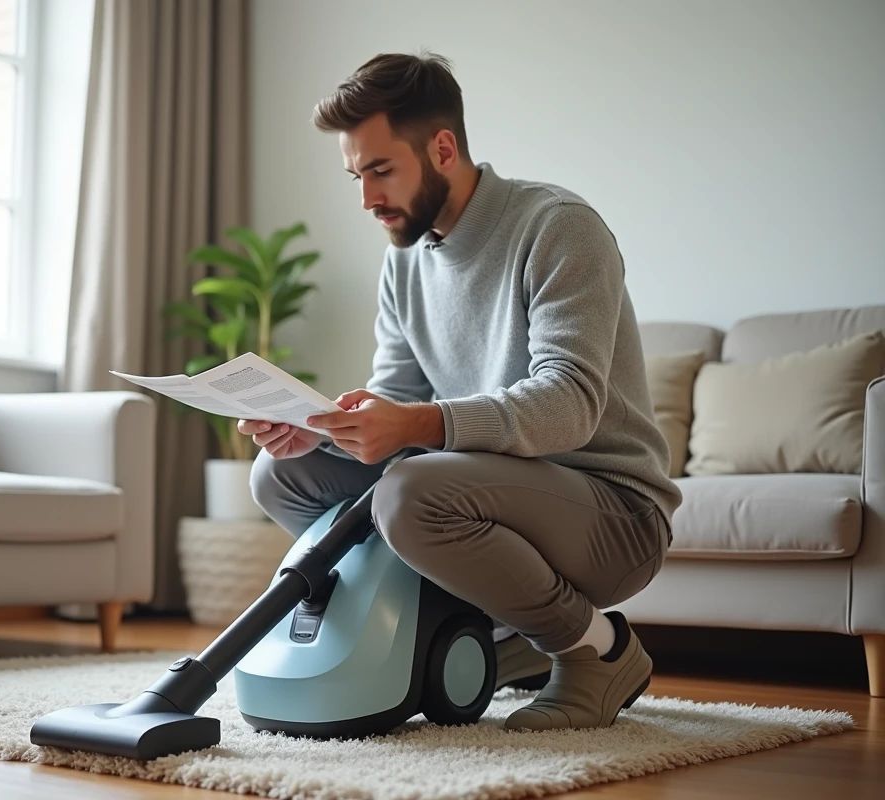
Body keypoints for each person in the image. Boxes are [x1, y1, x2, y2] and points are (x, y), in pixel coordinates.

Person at [237, 52, 681, 731]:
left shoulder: (558, 226)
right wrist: (321, 427)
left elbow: (568, 405)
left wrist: (414, 425)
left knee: (411, 493)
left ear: (442, 148)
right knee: (281, 473)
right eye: (356, 176)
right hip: (493, 490)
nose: (366, 198)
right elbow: (395, 399)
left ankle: (598, 648)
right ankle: (499, 626)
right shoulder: (405, 261)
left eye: (381, 170)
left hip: (610, 512)